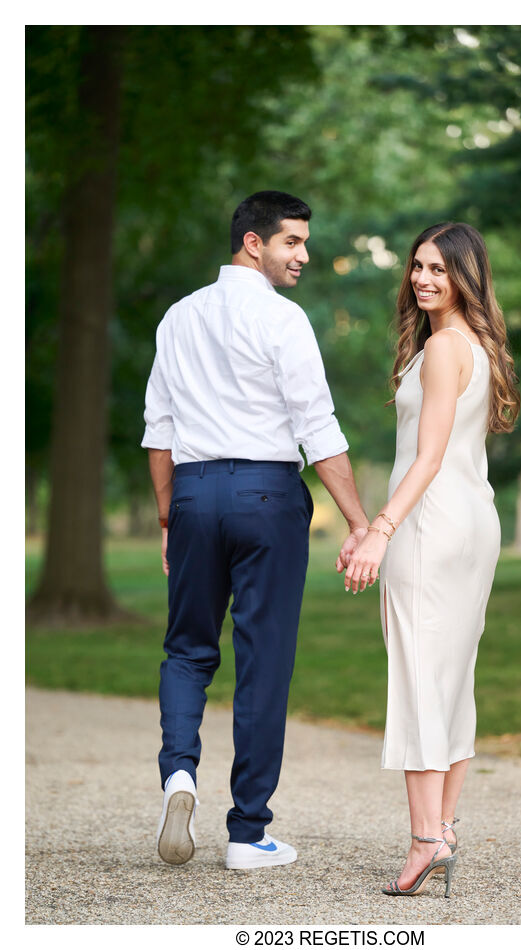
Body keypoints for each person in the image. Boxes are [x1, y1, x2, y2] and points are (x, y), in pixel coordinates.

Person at [142, 190, 368, 870]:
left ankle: (178, 774)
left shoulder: (178, 317)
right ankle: (247, 834)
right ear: (253, 243)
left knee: (186, 649)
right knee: (262, 661)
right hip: (268, 494)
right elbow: (317, 430)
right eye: (292, 242)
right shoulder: (283, 319)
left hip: (194, 493)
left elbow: (159, 433)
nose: (303, 254)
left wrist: (167, 517)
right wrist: (361, 521)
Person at [340, 222, 519, 897]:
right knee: (450, 679)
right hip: (470, 521)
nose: (422, 279)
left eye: (439, 269)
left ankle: (426, 840)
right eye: (417, 266)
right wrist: (372, 530)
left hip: (432, 525)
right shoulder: (469, 344)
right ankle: (443, 825)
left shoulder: (444, 348)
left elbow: (429, 456)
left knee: (420, 677)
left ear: (466, 277)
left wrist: (381, 528)